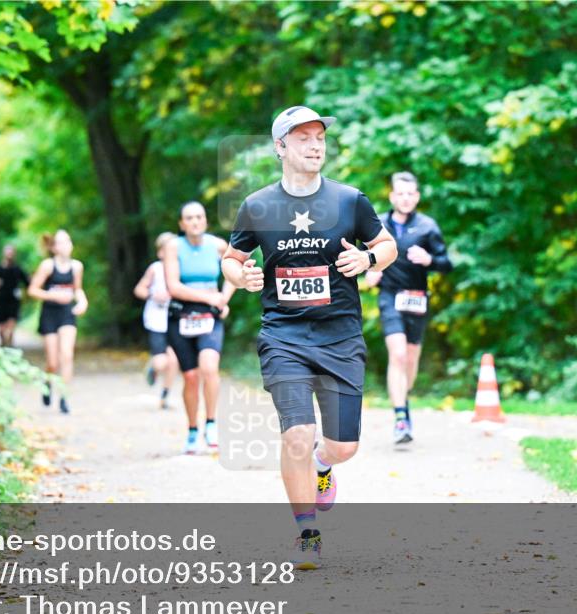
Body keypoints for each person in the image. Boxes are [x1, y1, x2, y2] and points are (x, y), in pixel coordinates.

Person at [222, 105, 397, 569]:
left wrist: (369, 261)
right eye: (303, 137)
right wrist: (242, 277)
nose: (315, 144)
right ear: (280, 147)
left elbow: (386, 245)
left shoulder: (349, 201)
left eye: (319, 136)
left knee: (342, 447)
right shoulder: (258, 205)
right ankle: (307, 533)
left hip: (340, 335)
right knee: (297, 433)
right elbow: (231, 257)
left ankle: (324, 466)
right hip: (284, 335)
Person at [365, 172, 453, 445]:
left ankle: (403, 397)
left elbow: (446, 263)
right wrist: (369, 269)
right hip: (389, 296)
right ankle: (401, 416)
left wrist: (429, 259)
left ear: (416, 197)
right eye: (399, 193)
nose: (405, 198)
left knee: (411, 359)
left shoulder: (428, 226)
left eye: (410, 194)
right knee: (399, 354)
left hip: (417, 298)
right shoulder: (377, 223)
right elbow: (362, 254)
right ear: (392, 197)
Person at [163, 202, 236, 454]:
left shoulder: (217, 245)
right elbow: (173, 286)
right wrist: (210, 297)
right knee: (191, 377)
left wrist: (224, 298)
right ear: (182, 224)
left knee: (209, 367)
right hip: (181, 316)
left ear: (205, 221)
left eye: (199, 217)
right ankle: (193, 429)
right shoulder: (173, 247)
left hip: (209, 317)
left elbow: (233, 272)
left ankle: (211, 423)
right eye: (189, 218)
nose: (194, 221)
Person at [28, 230, 88, 414]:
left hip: (67, 313)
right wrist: (52, 295)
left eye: (68, 241)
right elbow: (32, 290)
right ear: (54, 248)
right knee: (53, 362)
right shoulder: (47, 266)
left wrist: (83, 301)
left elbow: (77, 289)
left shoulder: (77, 266)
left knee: (67, 355)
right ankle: (47, 382)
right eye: (61, 242)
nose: (66, 245)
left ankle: (64, 397)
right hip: (50, 314)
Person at [134, 232, 179, 409]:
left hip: (174, 320)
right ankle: (153, 365)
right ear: (160, 252)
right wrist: (153, 294)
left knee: (174, 360)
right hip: (156, 320)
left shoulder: (180, 268)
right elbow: (139, 289)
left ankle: (164, 396)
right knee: (162, 362)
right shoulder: (155, 268)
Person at [0, 244, 28, 348]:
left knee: (12, 322)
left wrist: (24, 294)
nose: (9, 254)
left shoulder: (17, 269)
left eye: (11, 252)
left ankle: (10, 343)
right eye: (8, 252)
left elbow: (27, 282)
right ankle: (3, 343)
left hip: (14, 300)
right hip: (1, 299)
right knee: (1, 326)